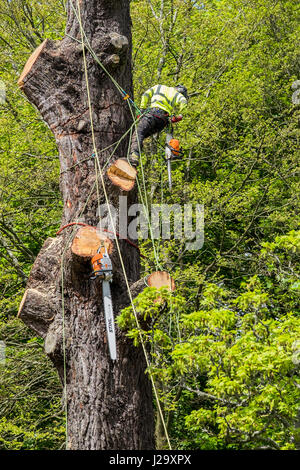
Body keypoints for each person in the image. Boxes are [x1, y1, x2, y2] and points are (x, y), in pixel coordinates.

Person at [128, 84, 188, 167]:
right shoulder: (177, 95)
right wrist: (180, 116)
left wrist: (142, 109)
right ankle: (132, 157)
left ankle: (134, 156)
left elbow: (145, 94)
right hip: (163, 121)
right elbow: (184, 101)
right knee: (142, 135)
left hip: (152, 114)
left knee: (139, 133)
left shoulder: (159, 87)